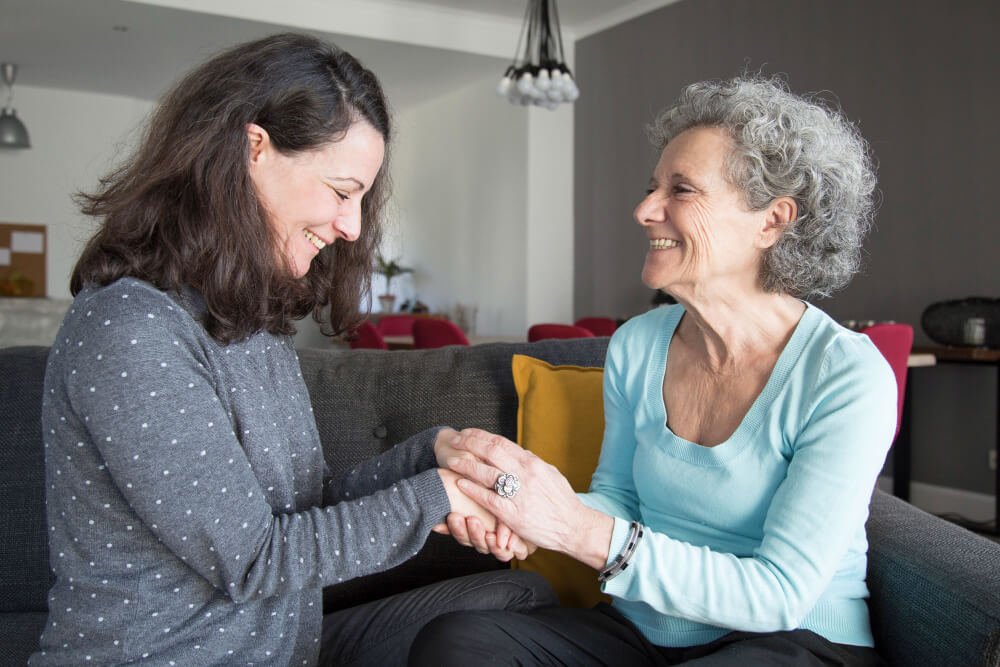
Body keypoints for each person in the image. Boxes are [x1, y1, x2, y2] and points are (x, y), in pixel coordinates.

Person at [31, 33, 554, 667]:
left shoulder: (249, 317)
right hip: (171, 656)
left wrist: (437, 455)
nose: (353, 227)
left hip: (280, 648)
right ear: (254, 150)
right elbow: (256, 558)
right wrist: (438, 496)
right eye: (341, 191)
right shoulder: (130, 330)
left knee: (519, 594)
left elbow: (298, 511)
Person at [413, 75, 894, 666]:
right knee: (458, 641)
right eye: (651, 188)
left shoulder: (844, 375)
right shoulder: (638, 344)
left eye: (681, 190)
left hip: (790, 642)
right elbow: (619, 497)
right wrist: (522, 511)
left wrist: (576, 531)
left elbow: (780, 596)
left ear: (771, 221)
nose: (644, 210)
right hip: (644, 631)